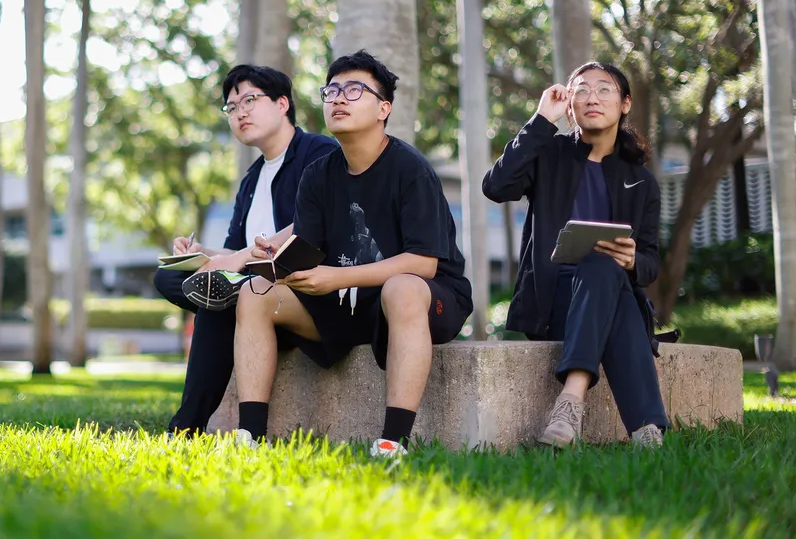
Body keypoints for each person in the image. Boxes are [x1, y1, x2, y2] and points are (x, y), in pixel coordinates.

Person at [233, 50, 472, 458]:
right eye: (332, 90)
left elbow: (423, 263)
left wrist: (337, 277)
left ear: (384, 108)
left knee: (402, 288)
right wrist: (274, 256)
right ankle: (249, 437)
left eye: (354, 90)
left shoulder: (410, 169)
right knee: (255, 292)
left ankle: (393, 441)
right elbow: (309, 251)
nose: (339, 98)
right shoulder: (318, 174)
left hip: (423, 299)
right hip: (347, 305)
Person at [482, 61, 668, 449]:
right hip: (552, 303)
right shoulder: (549, 153)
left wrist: (633, 259)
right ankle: (647, 429)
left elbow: (650, 263)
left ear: (625, 103)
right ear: (569, 104)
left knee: (605, 266)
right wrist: (540, 121)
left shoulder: (642, 182)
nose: (591, 98)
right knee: (607, 276)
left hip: (607, 293)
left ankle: (570, 405)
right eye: (580, 90)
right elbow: (497, 186)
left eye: (604, 90)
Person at [154, 65, 338, 435]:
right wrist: (201, 253)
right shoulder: (252, 178)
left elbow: (315, 227)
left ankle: (185, 429)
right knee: (173, 278)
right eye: (232, 107)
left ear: (283, 103)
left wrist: (235, 261)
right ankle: (186, 431)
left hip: (308, 296)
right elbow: (237, 248)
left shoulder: (318, 152)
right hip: (251, 294)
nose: (240, 112)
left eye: (250, 100)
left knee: (217, 300)